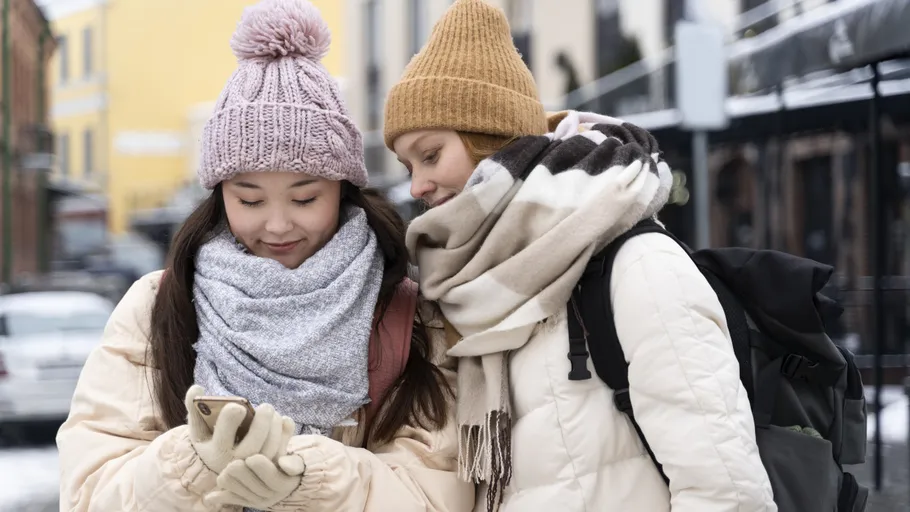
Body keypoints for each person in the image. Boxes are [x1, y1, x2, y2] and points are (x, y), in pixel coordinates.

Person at [56, 1, 474, 511]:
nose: (277, 225)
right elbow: (90, 493)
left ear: (343, 191)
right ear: (218, 194)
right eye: (249, 199)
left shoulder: (409, 313)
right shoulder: (157, 307)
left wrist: (317, 482)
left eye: (305, 198)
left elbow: (439, 494)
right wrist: (192, 464)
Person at [384, 1, 777, 511]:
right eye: (407, 164)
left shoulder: (637, 266)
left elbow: (725, 488)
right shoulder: (464, 292)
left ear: (487, 136)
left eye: (431, 155)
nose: (417, 185)